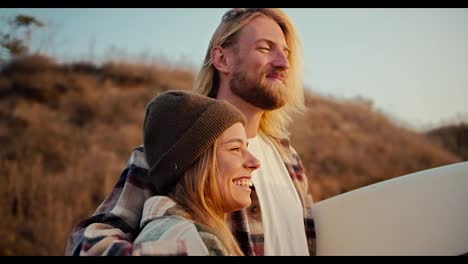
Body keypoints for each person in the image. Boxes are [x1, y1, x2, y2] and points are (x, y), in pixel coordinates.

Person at [66, 8, 316, 256]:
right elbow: (86, 245)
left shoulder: (289, 160)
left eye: (286, 53)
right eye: (264, 48)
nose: (284, 63)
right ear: (222, 59)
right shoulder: (173, 150)